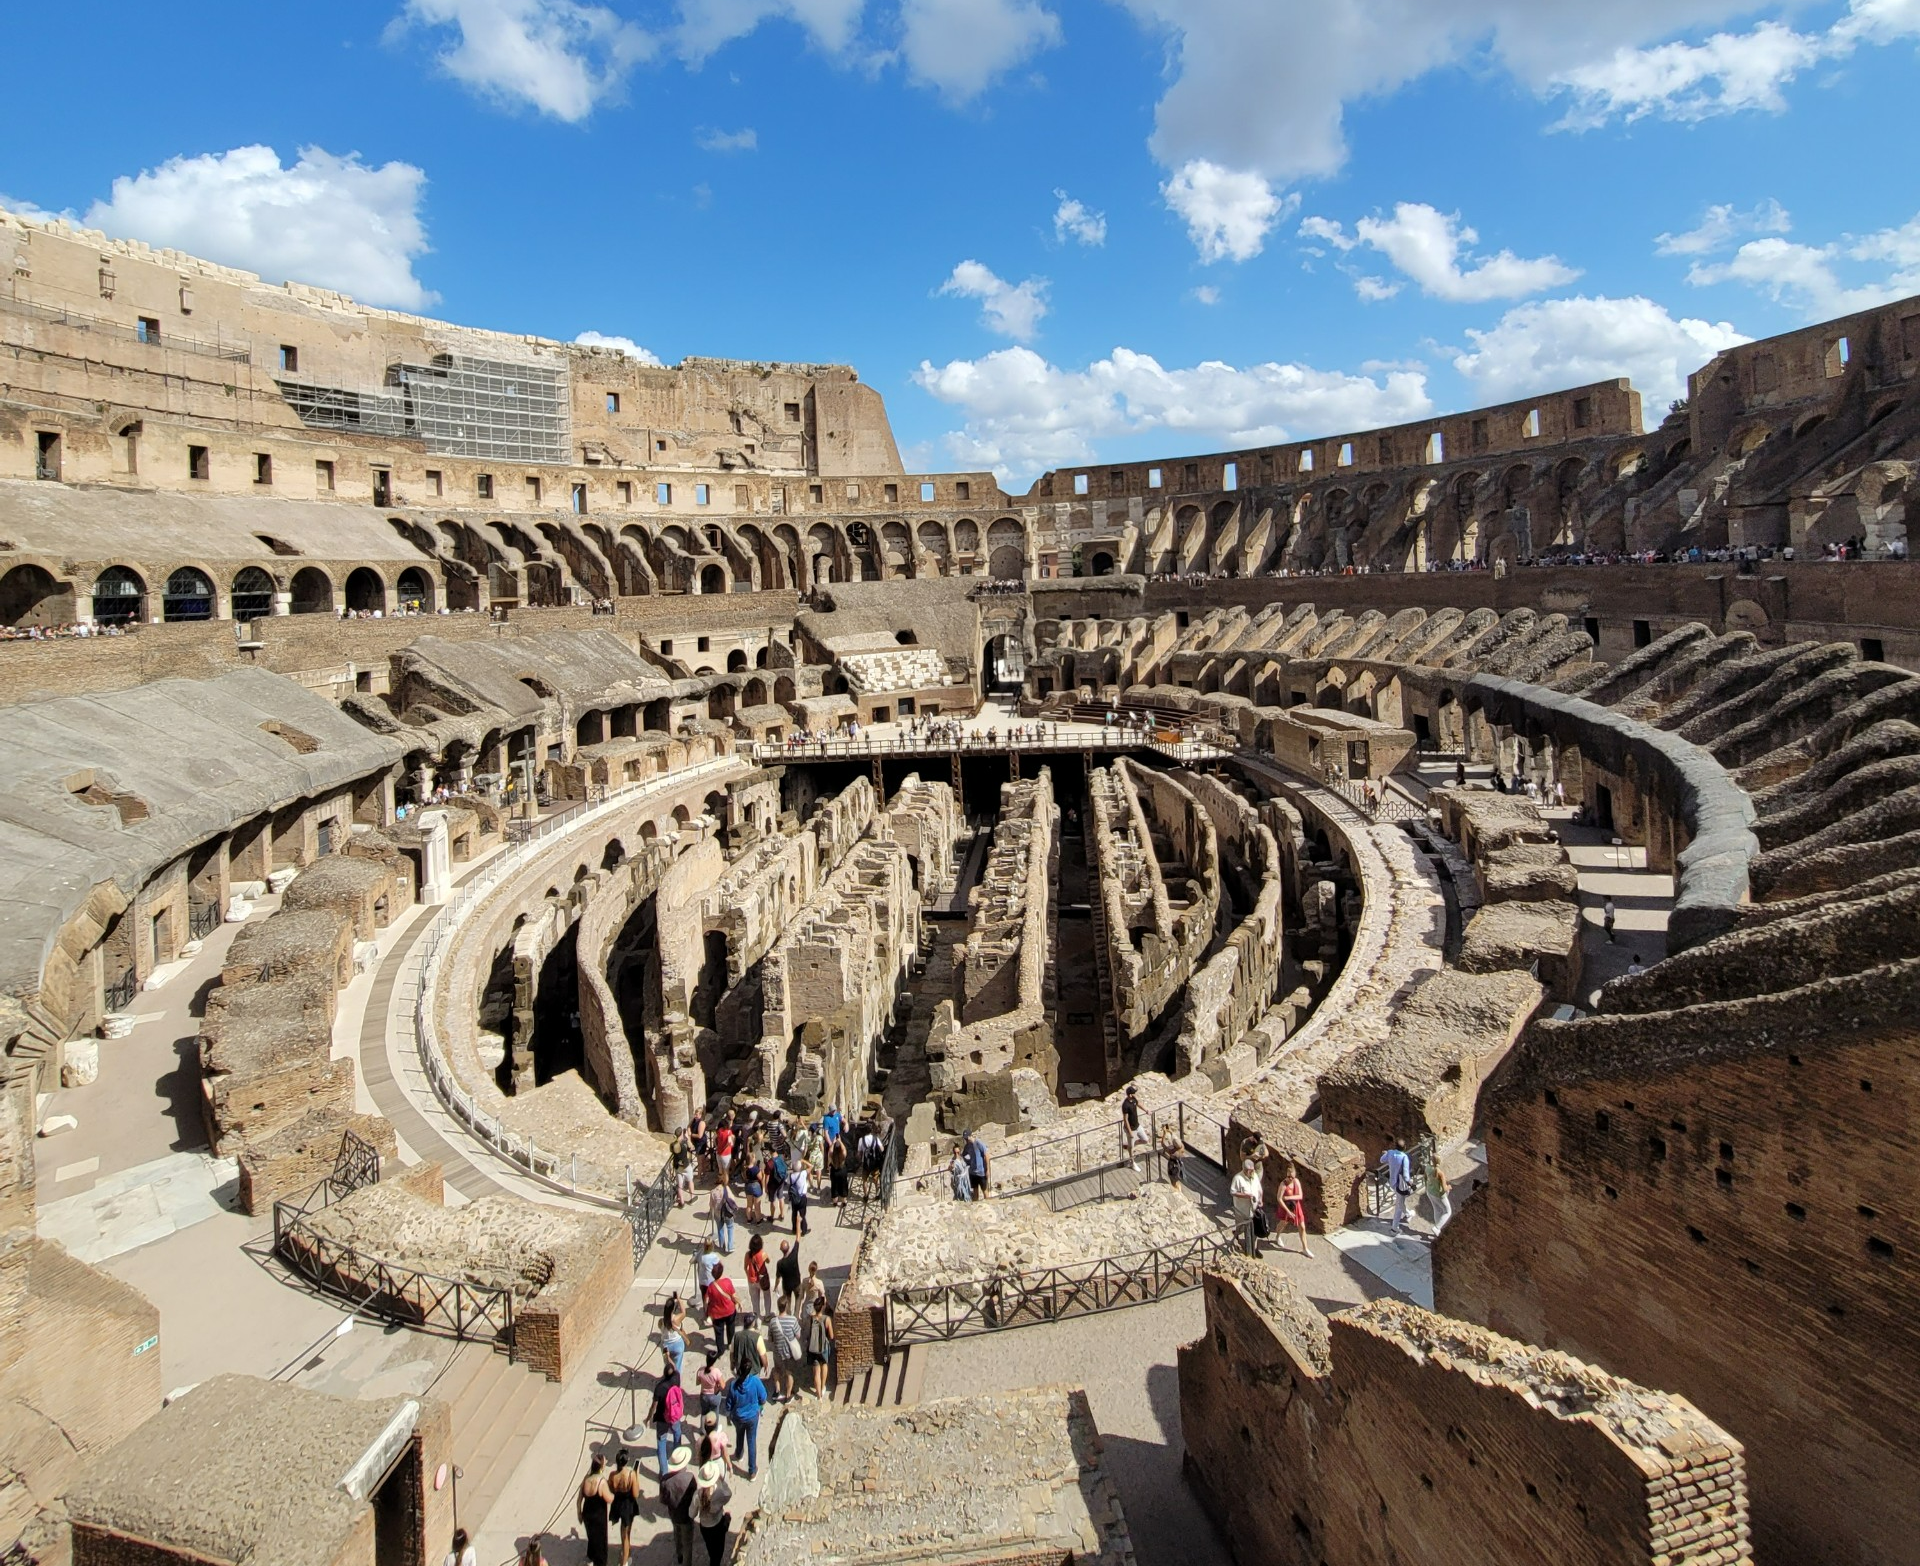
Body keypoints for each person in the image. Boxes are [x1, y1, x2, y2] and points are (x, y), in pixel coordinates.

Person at [726, 1365, 768, 1479]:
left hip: (738, 1417)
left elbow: (728, 1404)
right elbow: (763, 1398)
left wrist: (728, 1416)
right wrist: (758, 1406)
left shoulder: (733, 1385)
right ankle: (752, 1470)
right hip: (752, 1417)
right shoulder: (755, 1381)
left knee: (739, 1435)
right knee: (751, 1441)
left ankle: (739, 1454)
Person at [660, 1446, 698, 1566]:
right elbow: (694, 1495)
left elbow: (663, 1500)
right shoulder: (690, 1478)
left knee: (677, 1534)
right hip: (686, 1515)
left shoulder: (666, 1480)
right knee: (688, 1543)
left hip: (674, 1514)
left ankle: (679, 1555)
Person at [648, 1354, 685, 1479]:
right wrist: (669, 1358)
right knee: (677, 1434)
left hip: (662, 1418)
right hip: (674, 1414)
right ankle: (678, 1459)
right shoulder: (677, 1378)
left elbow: (654, 1406)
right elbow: (674, 1367)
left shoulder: (660, 1387)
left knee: (661, 1444)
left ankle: (664, 1473)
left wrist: (648, 1418)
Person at [694, 1458, 734, 1566]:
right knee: (719, 1552)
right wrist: (722, 1481)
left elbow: (692, 1512)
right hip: (717, 1524)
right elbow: (728, 1494)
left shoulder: (697, 1494)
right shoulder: (719, 1493)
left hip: (704, 1526)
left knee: (711, 1548)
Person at [607, 1450, 642, 1566]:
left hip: (618, 1503)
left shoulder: (612, 1475)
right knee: (626, 1534)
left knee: (623, 1532)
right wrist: (637, 1476)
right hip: (628, 1505)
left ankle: (624, 1552)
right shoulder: (630, 1474)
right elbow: (636, 1494)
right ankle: (624, 1561)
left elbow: (611, 1489)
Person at [577, 1456, 613, 1566]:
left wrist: (579, 1513)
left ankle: (591, 1554)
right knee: (600, 1542)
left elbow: (579, 1499)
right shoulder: (601, 1482)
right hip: (598, 1516)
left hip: (587, 1513)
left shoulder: (586, 1478)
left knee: (591, 1536)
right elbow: (609, 1499)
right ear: (601, 1467)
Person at [768, 1293, 803, 1402]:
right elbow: (798, 1335)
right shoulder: (792, 1320)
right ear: (787, 1306)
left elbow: (770, 1339)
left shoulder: (773, 1322)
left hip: (778, 1351)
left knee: (777, 1371)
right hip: (789, 1353)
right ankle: (788, 1394)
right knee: (789, 1373)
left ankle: (777, 1390)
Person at [1278, 1162, 1313, 1258]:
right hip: (1287, 1208)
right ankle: (1277, 1236)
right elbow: (1279, 1199)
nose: (1290, 1179)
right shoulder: (1283, 1185)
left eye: (1292, 1177)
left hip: (1296, 1207)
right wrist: (1288, 1212)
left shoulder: (1296, 1182)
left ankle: (1305, 1248)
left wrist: (1288, 1198)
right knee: (1283, 1223)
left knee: (1302, 1227)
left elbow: (1300, 1196)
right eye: (1289, 1176)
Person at [1230, 1158, 1264, 1255]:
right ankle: (1235, 1238)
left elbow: (1259, 1189)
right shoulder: (1237, 1178)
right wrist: (1246, 1196)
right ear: (1245, 1170)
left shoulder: (1255, 1176)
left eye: (1253, 1170)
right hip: (1242, 1210)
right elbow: (1232, 1192)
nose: (1253, 1172)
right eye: (1251, 1171)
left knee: (1255, 1229)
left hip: (1254, 1209)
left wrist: (1261, 1199)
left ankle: (1253, 1249)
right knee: (1241, 1227)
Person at [1380, 1140, 1414, 1236]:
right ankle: (1394, 1229)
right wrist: (1410, 1183)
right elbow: (1406, 1175)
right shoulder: (1404, 1157)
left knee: (1400, 1201)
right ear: (1404, 1148)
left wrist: (1386, 1154)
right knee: (1399, 1206)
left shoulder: (1390, 1153)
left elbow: (1381, 1160)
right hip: (1401, 1184)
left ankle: (1408, 1214)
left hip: (1392, 1181)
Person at [705, 1262, 738, 1349]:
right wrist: (738, 1303)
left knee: (719, 1332)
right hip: (729, 1310)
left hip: (716, 1313)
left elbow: (706, 1300)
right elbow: (734, 1296)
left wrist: (707, 1312)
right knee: (731, 1328)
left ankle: (720, 1348)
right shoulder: (727, 1282)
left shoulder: (710, 1287)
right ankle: (731, 1343)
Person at [807, 1297, 835, 1397]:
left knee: (816, 1372)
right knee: (824, 1365)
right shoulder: (826, 1319)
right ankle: (823, 1387)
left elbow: (809, 1333)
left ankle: (818, 1395)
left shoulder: (811, 1318)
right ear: (823, 1307)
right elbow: (831, 1336)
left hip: (813, 1348)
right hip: (824, 1347)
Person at [744, 1233, 772, 1320]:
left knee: (755, 1301)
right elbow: (768, 1261)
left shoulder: (748, 1255)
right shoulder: (763, 1254)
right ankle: (767, 1315)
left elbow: (745, 1267)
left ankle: (757, 1319)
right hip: (762, 1279)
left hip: (752, 1279)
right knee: (767, 1296)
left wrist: (749, 1276)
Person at [710, 1177, 738, 1255]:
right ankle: (730, 1246)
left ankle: (722, 1246)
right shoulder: (726, 1188)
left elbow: (711, 1205)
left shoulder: (713, 1192)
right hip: (727, 1212)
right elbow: (732, 1199)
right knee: (730, 1227)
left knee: (720, 1229)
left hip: (718, 1213)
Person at [1120, 1086, 1146, 1170]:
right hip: (1131, 1128)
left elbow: (1138, 1104)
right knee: (1131, 1149)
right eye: (1134, 1092)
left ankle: (1130, 1146)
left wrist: (1146, 1110)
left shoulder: (1134, 1099)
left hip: (1137, 1126)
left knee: (1145, 1140)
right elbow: (1125, 1119)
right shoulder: (1125, 1105)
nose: (1135, 1093)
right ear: (1130, 1094)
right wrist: (1130, 1132)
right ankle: (1132, 1163)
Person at [1424, 1161, 1453, 1235]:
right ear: (1439, 1163)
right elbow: (1444, 1189)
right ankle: (1437, 1227)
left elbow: (1425, 1178)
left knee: (1436, 1209)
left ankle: (1437, 1228)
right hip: (1439, 1195)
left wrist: (1427, 1187)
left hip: (1430, 1192)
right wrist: (1449, 1187)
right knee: (1447, 1211)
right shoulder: (1440, 1173)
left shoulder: (1427, 1167)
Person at [775, 1237, 801, 1305]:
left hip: (787, 1286)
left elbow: (778, 1277)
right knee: (798, 1301)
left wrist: (776, 1286)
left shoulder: (780, 1263)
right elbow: (798, 1238)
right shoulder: (794, 1255)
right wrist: (798, 1226)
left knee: (787, 1304)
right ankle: (796, 1314)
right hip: (797, 1284)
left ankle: (788, 1315)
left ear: (780, 1249)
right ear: (789, 1247)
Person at [965, 1130, 990, 1199]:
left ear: (970, 1136)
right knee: (975, 1191)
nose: (966, 1140)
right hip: (973, 1172)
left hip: (981, 1172)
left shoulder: (978, 1143)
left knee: (985, 1190)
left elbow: (986, 1155)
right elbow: (963, 1155)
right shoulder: (967, 1146)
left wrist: (987, 1169)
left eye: (967, 1138)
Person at [790, 1162, 811, 1235]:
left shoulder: (791, 1176)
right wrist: (803, 1160)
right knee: (802, 1214)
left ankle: (794, 1229)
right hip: (802, 1197)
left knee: (794, 1213)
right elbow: (811, 1166)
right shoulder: (803, 1173)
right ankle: (804, 1230)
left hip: (794, 1197)